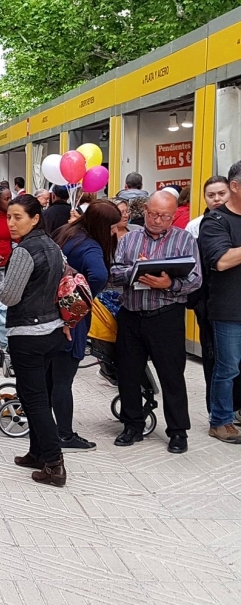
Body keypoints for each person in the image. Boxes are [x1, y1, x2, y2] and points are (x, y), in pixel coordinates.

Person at [110, 190, 202, 453]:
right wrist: (135, 270)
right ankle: (132, 425)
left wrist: (169, 283)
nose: (157, 220)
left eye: (164, 216)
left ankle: (178, 431)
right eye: (153, 214)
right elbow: (113, 273)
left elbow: (195, 279)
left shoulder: (184, 239)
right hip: (131, 313)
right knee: (128, 374)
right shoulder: (130, 238)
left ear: (173, 216)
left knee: (171, 375)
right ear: (145, 211)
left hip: (166, 315)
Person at [0, 194, 70, 485]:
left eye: (18, 217)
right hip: (52, 330)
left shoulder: (24, 251)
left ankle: (54, 463)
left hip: (27, 333)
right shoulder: (53, 246)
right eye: (9, 217)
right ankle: (37, 452)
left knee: (34, 399)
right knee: (38, 396)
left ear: (35, 218)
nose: (11, 223)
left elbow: (9, 296)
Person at [51, 201, 117, 449]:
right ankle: (64, 434)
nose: (114, 232)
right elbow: (99, 275)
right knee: (63, 380)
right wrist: (84, 299)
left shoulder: (66, 232)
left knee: (50, 377)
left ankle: (46, 428)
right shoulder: (90, 246)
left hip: (51, 312)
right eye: (112, 227)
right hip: (71, 319)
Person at [186, 176, 239, 415]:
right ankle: (219, 414)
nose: (216, 199)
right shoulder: (200, 225)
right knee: (218, 360)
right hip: (210, 302)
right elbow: (216, 261)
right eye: (211, 195)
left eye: (221, 193)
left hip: (232, 300)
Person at [197, 161, 241, 443]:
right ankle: (220, 420)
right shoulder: (215, 221)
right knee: (227, 368)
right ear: (235, 186)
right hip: (228, 309)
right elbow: (222, 261)